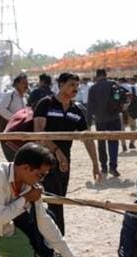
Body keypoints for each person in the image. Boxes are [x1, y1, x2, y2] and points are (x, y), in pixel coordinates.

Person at [33, 72, 101, 234]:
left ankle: (51, 238)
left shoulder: (76, 110)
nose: (75, 89)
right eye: (71, 85)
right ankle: (58, 239)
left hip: (64, 163)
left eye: (77, 86)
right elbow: (38, 133)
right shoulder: (46, 104)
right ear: (60, 85)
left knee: (58, 200)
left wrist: (95, 164)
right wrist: (57, 151)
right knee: (55, 201)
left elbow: (87, 138)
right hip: (42, 159)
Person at [86, 68, 122, 177]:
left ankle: (104, 167)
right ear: (106, 74)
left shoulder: (93, 88)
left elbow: (90, 107)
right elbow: (119, 97)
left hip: (100, 120)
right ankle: (113, 167)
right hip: (114, 118)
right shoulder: (113, 84)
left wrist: (88, 122)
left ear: (97, 76)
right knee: (114, 143)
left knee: (101, 144)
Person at [0, 73, 29, 160]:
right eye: (23, 83)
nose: (26, 85)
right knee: (13, 162)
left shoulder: (25, 98)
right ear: (16, 84)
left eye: (27, 83)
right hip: (9, 135)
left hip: (21, 135)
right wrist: (16, 119)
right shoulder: (9, 95)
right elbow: (0, 109)